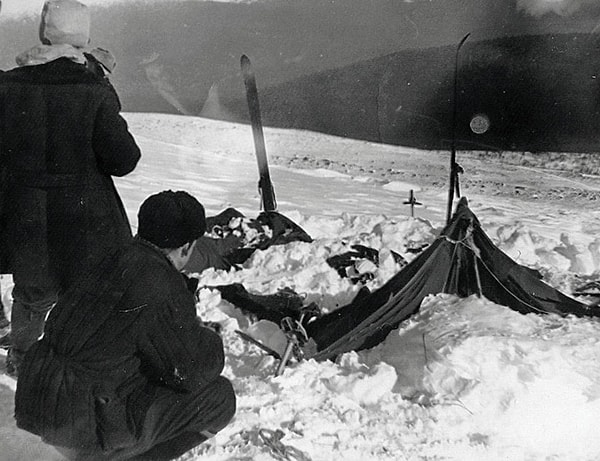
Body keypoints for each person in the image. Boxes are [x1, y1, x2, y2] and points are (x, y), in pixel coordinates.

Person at [14, 190, 236, 460]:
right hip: (81, 420)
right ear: (187, 247)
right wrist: (209, 338)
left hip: (37, 396)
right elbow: (190, 373)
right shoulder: (160, 281)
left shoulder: (107, 255)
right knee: (219, 398)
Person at [0, 0, 141, 375]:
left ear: (43, 33)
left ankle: (23, 361)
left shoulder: (6, 86)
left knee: (31, 293)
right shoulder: (92, 88)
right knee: (84, 294)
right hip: (84, 215)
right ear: (85, 37)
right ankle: (78, 364)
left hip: (24, 213)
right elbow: (124, 160)